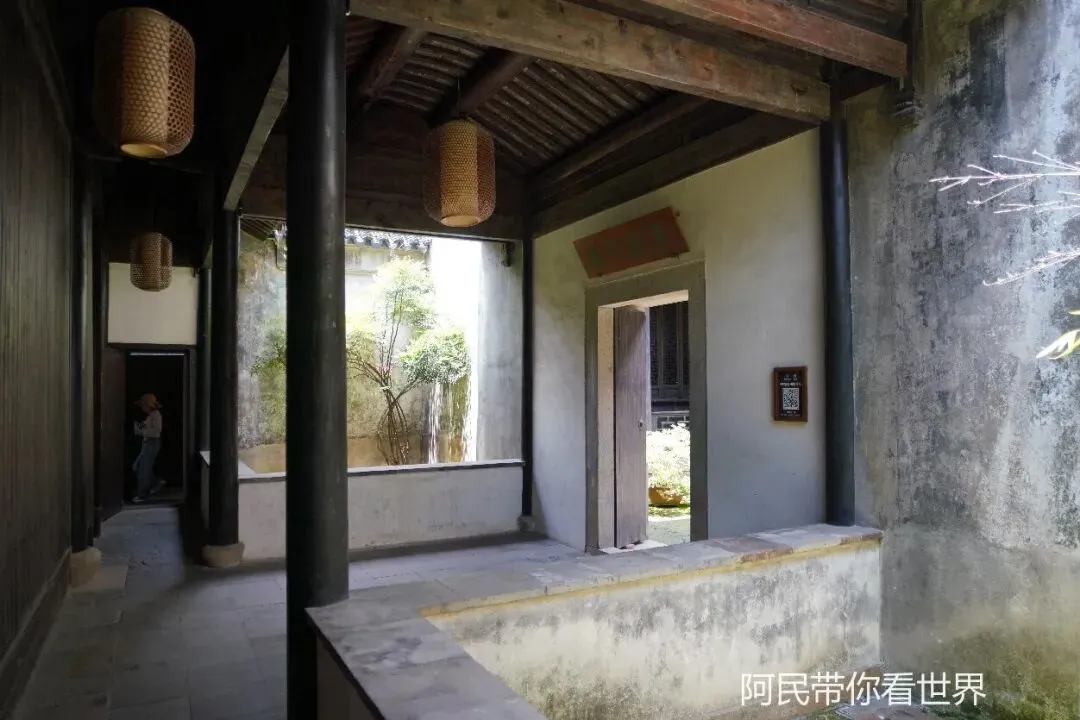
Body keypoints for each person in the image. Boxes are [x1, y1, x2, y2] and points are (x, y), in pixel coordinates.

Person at [132, 393, 165, 503]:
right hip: (147, 443)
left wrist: (142, 432)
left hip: (152, 443)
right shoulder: (150, 416)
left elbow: (157, 431)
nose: (142, 408)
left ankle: (142, 494)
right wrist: (139, 428)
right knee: (139, 466)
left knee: (143, 469)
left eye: (144, 405)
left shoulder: (156, 415)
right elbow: (144, 427)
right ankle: (156, 482)